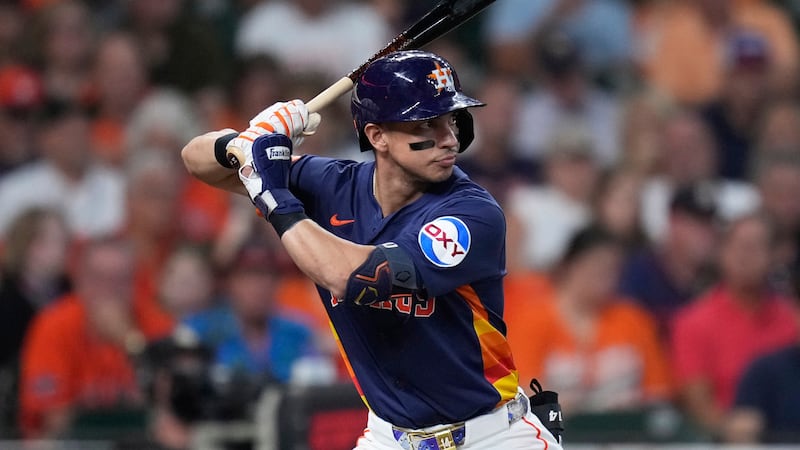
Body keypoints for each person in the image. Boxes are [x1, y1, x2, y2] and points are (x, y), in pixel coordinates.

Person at [182, 50, 562, 449]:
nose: (449, 139)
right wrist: (246, 143)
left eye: (450, 120)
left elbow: (354, 277)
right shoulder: (332, 185)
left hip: (490, 435)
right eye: (427, 124)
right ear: (377, 135)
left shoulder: (472, 213)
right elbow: (195, 159)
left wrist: (273, 192)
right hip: (389, 436)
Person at [506, 225, 672, 414]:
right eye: (596, 265)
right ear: (571, 265)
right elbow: (521, 392)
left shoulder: (634, 319)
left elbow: (658, 392)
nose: (604, 276)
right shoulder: (531, 319)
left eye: (612, 268)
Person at [18, 237, 171, 438]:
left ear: (134, 283)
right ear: (80, 280)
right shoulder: (54, 325)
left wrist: (131, 342)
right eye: (100, 279)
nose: (109, 291)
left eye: (120, 280)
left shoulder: (156, 323)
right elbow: (52, 419)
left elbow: (169, 407)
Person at [670, 213, 799, 438]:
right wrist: (736, 433)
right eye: (738, 246)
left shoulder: (791, 316)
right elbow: (698, 402)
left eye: (756, 247)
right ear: (722, 251)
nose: (745, 256)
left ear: (773, 255)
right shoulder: (694, 322)